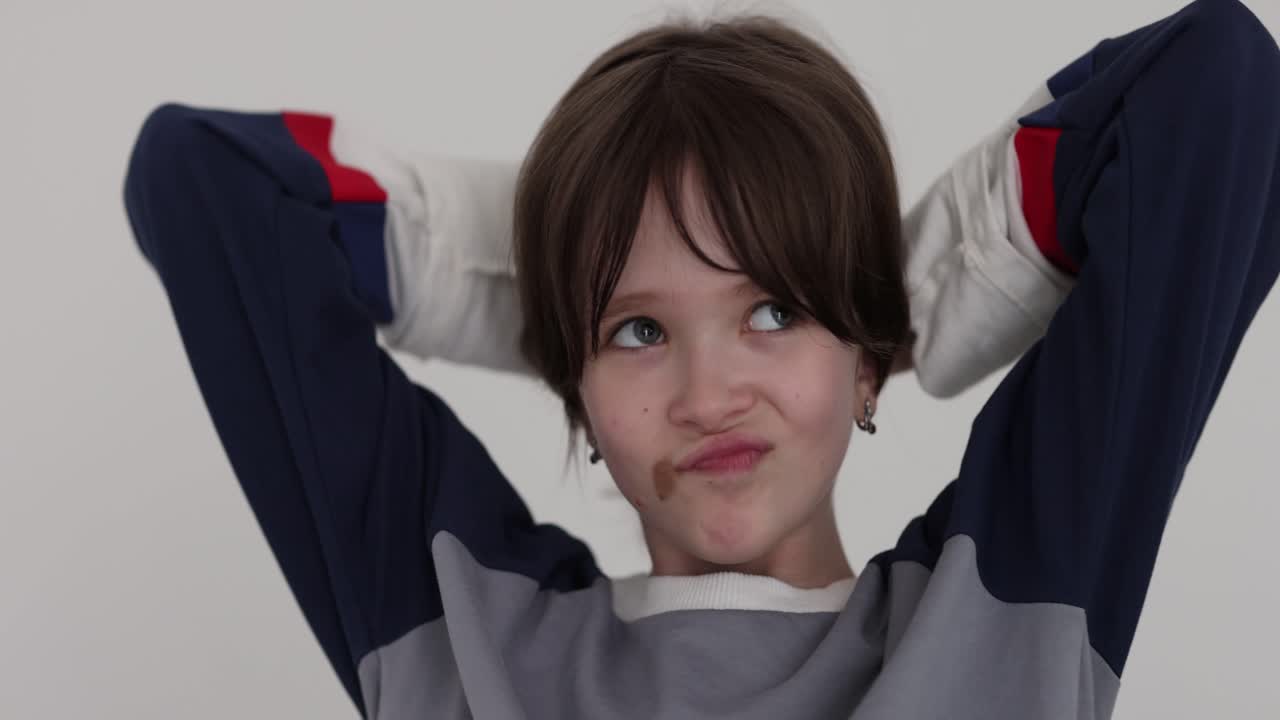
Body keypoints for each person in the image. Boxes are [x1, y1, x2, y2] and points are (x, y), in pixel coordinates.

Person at [121, 0, 1279, 717]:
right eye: (638, 332)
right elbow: (210, 185)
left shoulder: (1008, 610)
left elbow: (1221, 86)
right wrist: (572, 248)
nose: (707, 391)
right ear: (573, 384)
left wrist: (885, 285)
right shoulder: (467, 647)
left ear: (865, 356)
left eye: (772, 310)